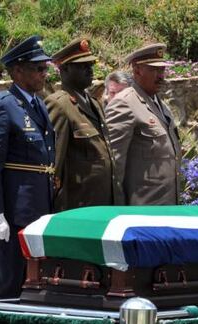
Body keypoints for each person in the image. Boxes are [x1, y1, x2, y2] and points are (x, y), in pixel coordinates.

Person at [0, 35, 55, 299]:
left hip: (39, 212)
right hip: (14, 215)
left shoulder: (38, 105)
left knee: (34, 286)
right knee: (9, 285)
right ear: (17, 70)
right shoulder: (3, 106)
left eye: (45, 68)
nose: (44, 74)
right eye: (38, 68)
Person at [106, 43, 182, 205]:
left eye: (162, 70)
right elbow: (114, 165)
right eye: (154, 70)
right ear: (137, 70)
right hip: (142, 209)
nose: (161, 75)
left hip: (167, 206)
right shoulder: (124, 103)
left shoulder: (161, 105)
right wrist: (118, 210)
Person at [45, 38, 115, 210]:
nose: (89, 70)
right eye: (82, 66)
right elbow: (55, 162)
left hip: (102, 199)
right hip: (78, 202)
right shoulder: (60, 104)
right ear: (65, 69)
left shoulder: (93, 103)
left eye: (90, 65)